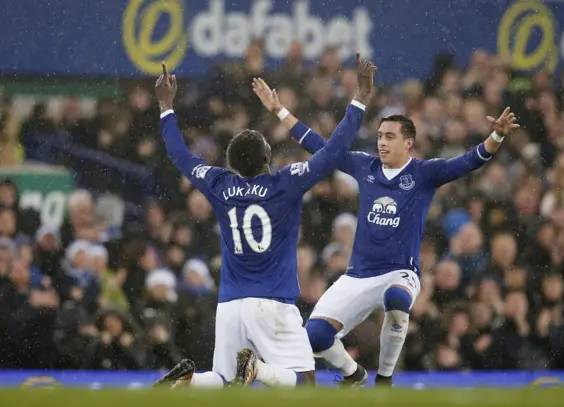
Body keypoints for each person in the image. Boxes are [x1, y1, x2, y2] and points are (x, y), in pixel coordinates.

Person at [253, 77, 520, 386]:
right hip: (358, 274)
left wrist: (497, 135)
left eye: (390, 136)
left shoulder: (424, 172)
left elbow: (469, 161)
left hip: (399, 272)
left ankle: (385, 378)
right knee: (314, 336)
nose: (382, 142)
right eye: (380, 135)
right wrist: (280, 110)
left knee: (396, 298)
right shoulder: (364, 166)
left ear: (408, 142)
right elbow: (319, 145)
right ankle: (353, 373)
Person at [154, 54, 377, 389]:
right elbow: (333, 151)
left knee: (225, 380)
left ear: (230, 163)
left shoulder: (218, 184)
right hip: (273, 302)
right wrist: (360, 97)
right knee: (304, 383)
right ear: (267, 159)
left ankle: (190, 381)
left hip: (230, 303)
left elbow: (179, 154)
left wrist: (166, 106)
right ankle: (260, 371)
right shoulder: (286, 182)